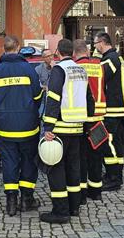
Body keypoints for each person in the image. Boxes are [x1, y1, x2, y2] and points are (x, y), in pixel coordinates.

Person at [40, 39, 94, 224]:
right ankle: (74, 207)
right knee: (74, 169)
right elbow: (89, 99)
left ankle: (60, 211)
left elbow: (53, 98)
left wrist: (48, 126)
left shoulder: (59, 70)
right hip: (77, 128)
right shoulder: (80, 69)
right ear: (71, 52)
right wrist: (87, 125)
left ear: (57, 52)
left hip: (60, 128)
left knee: (55, 169)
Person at [0, 35, 43, 216]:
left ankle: (11, 201)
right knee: (29, 160)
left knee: (9, 162)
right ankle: (27, 199)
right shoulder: (28, 69)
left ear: (4, 48)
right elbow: (37, 96)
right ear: (19, 47)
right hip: (28, 124)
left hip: (5, 125)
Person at [94, 32, 124, 191]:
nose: (95, 46)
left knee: (108, 143)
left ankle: (113, 178)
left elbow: (99, 76)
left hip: (112, 108)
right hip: (116, 108)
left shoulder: (111, 59)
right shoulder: (116, 57)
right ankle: (114, 176)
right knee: (115, 143)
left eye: (96, 43)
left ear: (102, 42)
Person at [74, 39, 105, 202]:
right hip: (99, 117)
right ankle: (96, 190)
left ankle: (82, 192)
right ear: (86, 51)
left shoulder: (76, 67)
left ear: (74, 53)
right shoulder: (98, 65)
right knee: (96, 155)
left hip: (82, 116)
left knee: (81, 156)